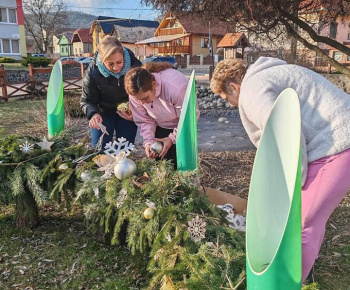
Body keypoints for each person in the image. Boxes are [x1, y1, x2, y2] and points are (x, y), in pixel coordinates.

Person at [210, 56, 350, 284]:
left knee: (303, 222)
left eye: (227, 98)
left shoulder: (252, 91)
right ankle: (304, 274)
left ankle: (287, 283)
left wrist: (295, 182)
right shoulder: (269, 74)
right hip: (335, 138)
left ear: (234, 86)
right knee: (313, 218)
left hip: (337, 144)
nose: (231, 105)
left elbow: (286, 136)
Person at [124, 62, 199, 168]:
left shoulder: (176, 88)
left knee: (184, 167)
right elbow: (145, 120)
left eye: (145, 98)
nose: (143, 103)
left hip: (183, 129)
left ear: (154, 85)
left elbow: (189, 118)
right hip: (160, 126)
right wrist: (149, 141)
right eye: (139, 100)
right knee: (162, 167)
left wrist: (172, 139)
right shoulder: (136, 93)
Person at [80, 35, 141, 147]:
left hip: (127, 113)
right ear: (102, 61)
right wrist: (93, 114)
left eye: (119, 62)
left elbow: (143, 95)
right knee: (99, 149)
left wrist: (136, 111)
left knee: (124, 150)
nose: (116, 68)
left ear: (123, 55)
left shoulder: (136, 67)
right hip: (103, 113)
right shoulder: (92, 73)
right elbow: (86, 100)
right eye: (110, 64)